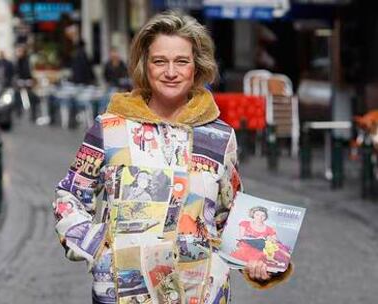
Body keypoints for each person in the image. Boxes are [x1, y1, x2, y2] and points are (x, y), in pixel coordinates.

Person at [53, 11, 293, 304]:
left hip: (202, 292)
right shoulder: (111, 128)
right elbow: (70, 196)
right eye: (159, 61)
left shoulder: (219, 136)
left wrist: (259, 265)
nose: (171, 72)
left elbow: (228, 216)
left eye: (181, 61)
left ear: (196, 66)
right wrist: (99, 251)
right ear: (145, 65)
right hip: (123, 293)